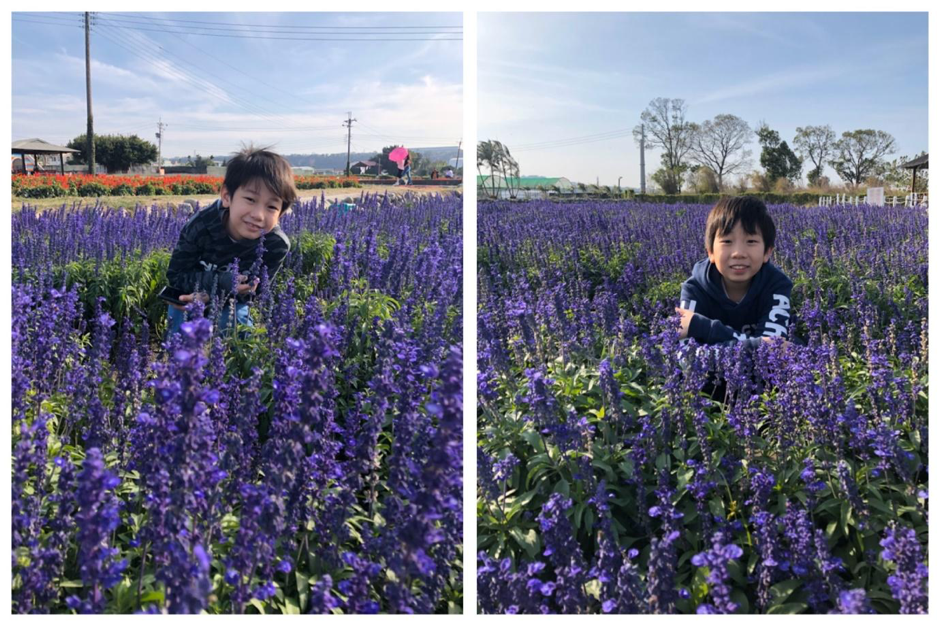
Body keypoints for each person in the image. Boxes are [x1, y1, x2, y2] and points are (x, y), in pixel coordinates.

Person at [165, 144, 298, 337]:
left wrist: (232, 291)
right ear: (227, 196)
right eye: (250, 200)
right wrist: (220, 283)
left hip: (232, 302)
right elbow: (176, 275)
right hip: (191, 295)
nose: (258, 215)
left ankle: (237, 367)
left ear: (281, 214)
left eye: (271, 207)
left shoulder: (275, 244)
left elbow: (258, 292)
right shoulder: (200, 226)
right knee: (181, 323)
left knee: (236, 325)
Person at [676, 196, 793, 347]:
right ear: (710, 252)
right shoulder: (694, 289)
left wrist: (703, 327)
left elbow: (774, 351)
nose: (738, 253)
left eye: (751, 241)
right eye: (727, 241)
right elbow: (689, 359)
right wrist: (758, 346)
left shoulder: (776, 284)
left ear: (767, 252)